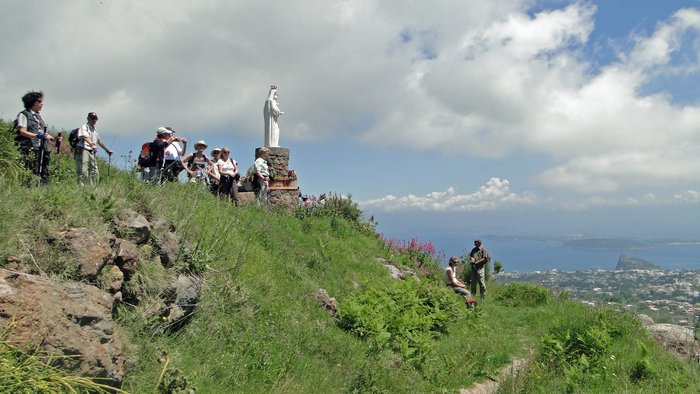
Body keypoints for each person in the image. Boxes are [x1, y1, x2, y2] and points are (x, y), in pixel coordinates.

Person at [14, 91, 53, 186]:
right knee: (28, 168)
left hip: (40, 147)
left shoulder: (38, 116)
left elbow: (42, 132)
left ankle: (39, 188)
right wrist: (36, 136)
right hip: (28, 146)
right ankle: (26, 189)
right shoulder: (24, 114)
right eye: (39, 101)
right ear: (33, 102)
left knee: (40, 169)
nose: (42, 103)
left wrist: (52, 138)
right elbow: (22, 131)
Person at [75, 112, 113, 185]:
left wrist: (107, 150)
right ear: (88, 119)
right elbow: (85, 137)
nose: (94, 120)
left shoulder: (95, 129)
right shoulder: (84, 127)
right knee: (83, 170)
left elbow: (99, 141)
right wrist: (92, 144)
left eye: (95, 119)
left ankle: (93, 188)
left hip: (92, 151)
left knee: (94, 171)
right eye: (93, 119)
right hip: (84, 149)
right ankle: (81, 188)